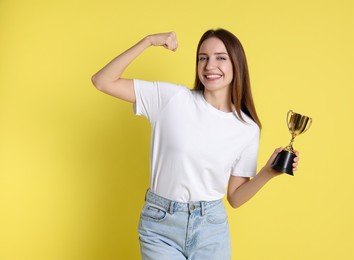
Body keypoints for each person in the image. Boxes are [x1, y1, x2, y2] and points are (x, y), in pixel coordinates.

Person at [91, 29, 299, 260]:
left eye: (221, 57)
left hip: (211, 228)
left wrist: (267, 173)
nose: (210, 65)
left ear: (236, 65)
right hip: (160, 225)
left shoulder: (247, 128)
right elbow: (102, 81)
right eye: (203, 57)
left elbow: (235, 198)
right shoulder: (171, 98)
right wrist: (148, 41)